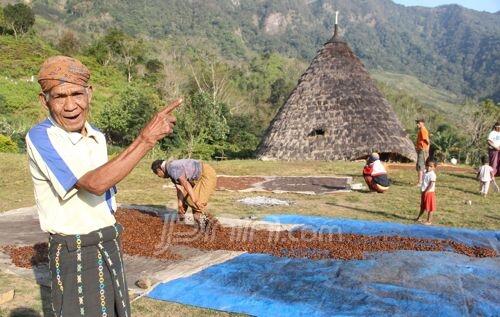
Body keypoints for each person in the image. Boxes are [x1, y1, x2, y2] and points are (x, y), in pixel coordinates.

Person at [26, 55, 182, 317]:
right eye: (59, 96)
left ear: (89, 93)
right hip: (74, 249)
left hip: (107, 241)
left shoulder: (96, 135)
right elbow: (94, 184)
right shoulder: (42, 136)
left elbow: (107, 185)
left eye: (77, 93)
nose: (70, 105)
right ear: (45, 101)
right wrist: (146, 139)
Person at [152, 159, 217, 229]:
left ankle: (212, 223)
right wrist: (180, 204)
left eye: (157, 174)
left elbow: (185, 183)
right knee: (186, 201)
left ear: (159, 170)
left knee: (194, 202)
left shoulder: (172, 168)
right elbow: (180, 188)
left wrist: (195, 200)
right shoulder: (170, 169)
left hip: (205, 174)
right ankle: (196, 227)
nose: (158, 176)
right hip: (195, 178)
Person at [415, 160, 437, 225]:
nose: (429, 167)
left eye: (431, 166)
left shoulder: (432, 175)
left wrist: (426, 191)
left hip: (429, 193)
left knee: (430, 207)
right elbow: (421, 171)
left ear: (434, 167)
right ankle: (419, 218)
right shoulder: (425, 172)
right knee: (422, 206)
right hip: (423, 191)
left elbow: (431, 184)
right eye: (427, 165)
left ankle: (429, 221)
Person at [415, 119, 430, 186]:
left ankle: (420, 182)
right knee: (421, 165)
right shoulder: (421, 130)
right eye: (417, 123)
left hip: (422, 150)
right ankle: (422, 181)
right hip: (421, 150)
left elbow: (427, 140)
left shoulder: (423, 130)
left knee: (420, 166)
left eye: (418, 123)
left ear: (422, 123)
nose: (417, 124)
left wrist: (426, 148)